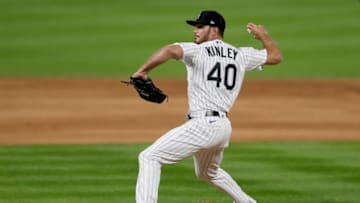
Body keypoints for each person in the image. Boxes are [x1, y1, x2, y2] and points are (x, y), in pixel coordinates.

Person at [132, 10, 282, 203]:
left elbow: (170, 50)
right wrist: (264, 36)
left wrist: (143, 71)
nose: (195, 31)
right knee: (207, 173)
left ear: (214, 30)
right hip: (222, 128)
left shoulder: (198, 50)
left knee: (149, 157)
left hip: (203, 124)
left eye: (200, 26)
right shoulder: (240, 55)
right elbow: (275, 56)